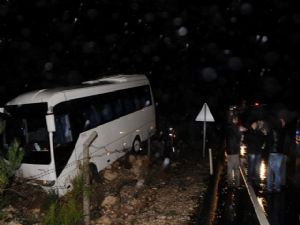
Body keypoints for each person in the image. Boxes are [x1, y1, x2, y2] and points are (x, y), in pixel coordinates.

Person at [266, 117, 287, 193]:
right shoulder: (283, 131)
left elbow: (268, 141)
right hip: (280, 153)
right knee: (277, 172)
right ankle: (277, 188)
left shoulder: (272, 130)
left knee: (270, 172)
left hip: (272, 152)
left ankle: (269, 188)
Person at [225, 115, 242, 187]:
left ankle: (230, 183)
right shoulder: (235, 128)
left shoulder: (227, 127)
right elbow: (239, 137)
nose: (238, 121)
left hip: (229, 151)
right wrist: (240, 132)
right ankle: (237, 184)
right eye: (237, 119)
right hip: (235, 151)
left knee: (229, 168)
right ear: (234, 120)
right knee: (236, 169)